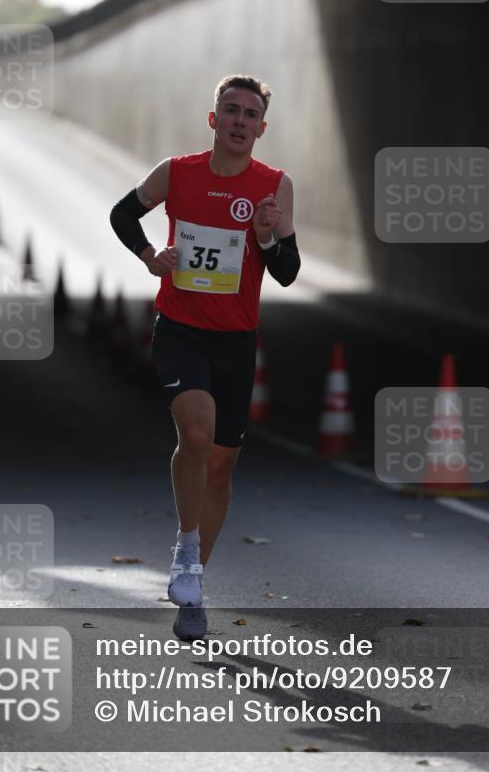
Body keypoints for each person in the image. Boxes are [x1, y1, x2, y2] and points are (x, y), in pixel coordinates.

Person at [109, 74, 300, 640]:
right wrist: (150, 255)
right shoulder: (177, 172)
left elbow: (287, 273)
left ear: (261, 129)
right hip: (181, 331)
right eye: (231, 110)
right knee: (195, 437)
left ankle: (190, 573)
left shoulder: (273, 187)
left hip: (236, 340)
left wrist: (268, 237)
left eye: (250, 114)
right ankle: (186, 546)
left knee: (220, 469)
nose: (240, 121)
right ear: (213, 119)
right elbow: (122, 214)